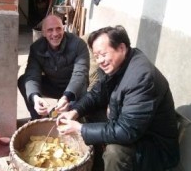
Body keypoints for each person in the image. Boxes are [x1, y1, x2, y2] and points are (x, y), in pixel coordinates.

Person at [56, 25, 180, 171]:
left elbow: (127, 132)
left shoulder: (141, 77)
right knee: (84, 112)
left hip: (154, 146)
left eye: (103, 54)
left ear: (121, 48)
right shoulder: (117, 65)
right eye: (96, 56)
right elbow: (96, 94)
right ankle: (96, 163)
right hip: (130, 125)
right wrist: (74, 111)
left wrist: (81, 128)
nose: (100, 61)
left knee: (115, 152)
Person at [18, 14, 90, 120]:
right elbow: (32, 74)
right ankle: (38, 117)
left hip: (75, 89)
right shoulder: (36, 48)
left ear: (63, 29)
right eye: (50, 30)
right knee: (23, 80)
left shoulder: (78, 44)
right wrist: (35, 97)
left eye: (58, 29)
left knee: (68, 120)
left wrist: (67, 96)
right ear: (43, 33)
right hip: (53, 85)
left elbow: (80, 74)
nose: (55, 34)